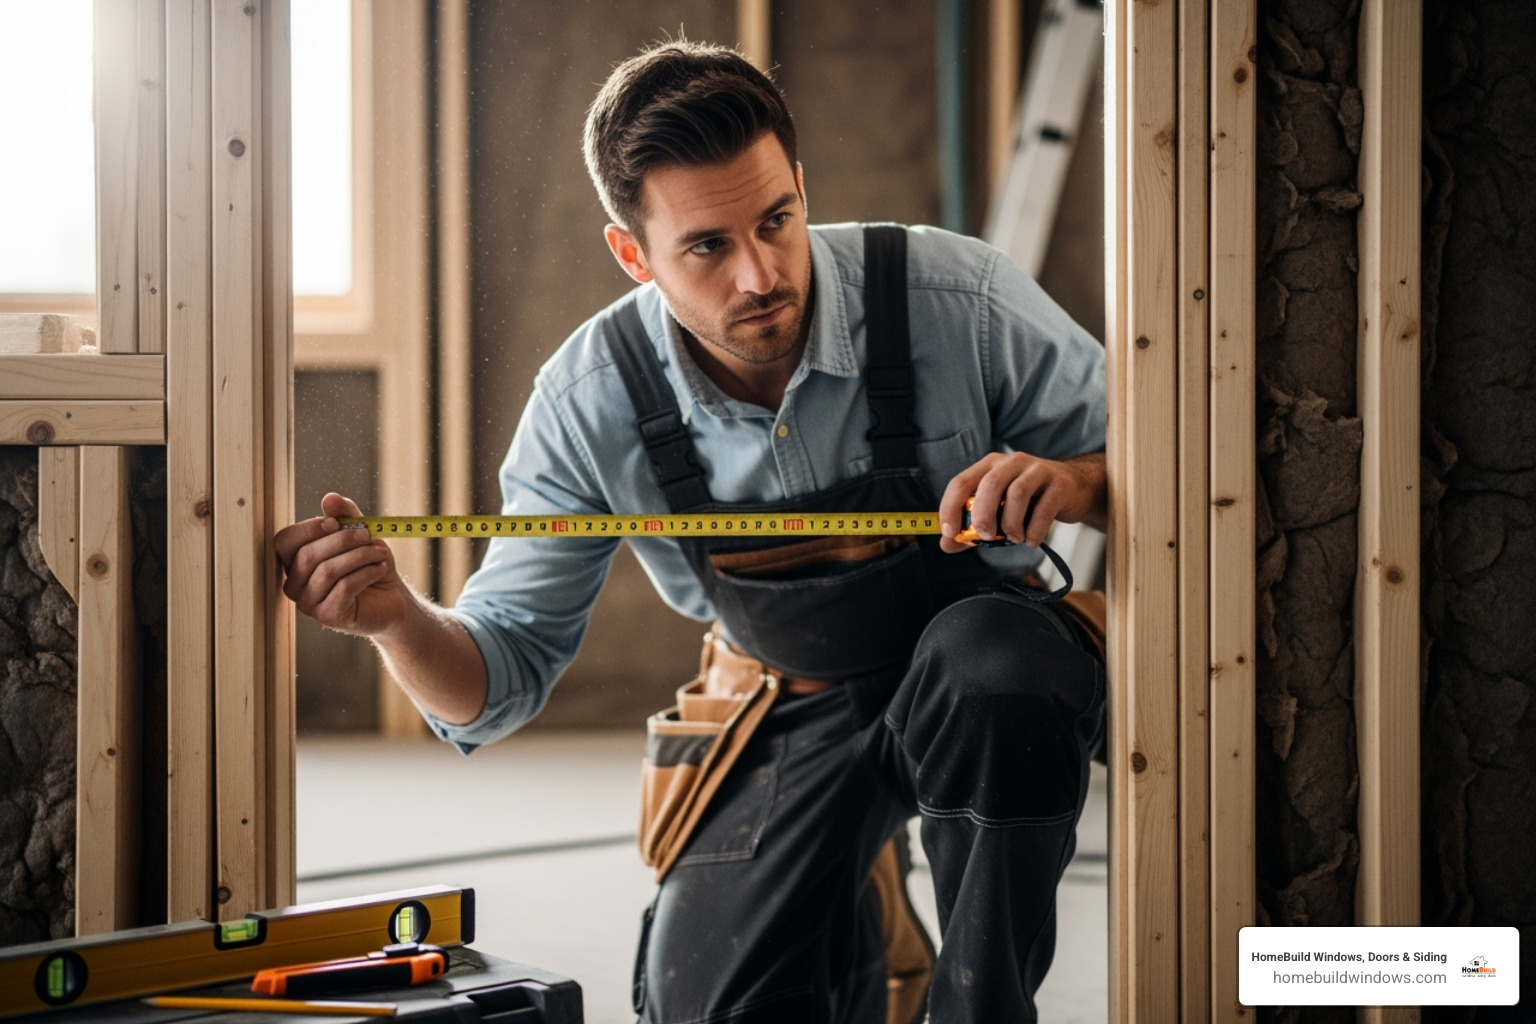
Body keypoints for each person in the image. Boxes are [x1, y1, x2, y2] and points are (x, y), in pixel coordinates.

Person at [276, 40, 1106, 1024]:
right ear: (634, 254)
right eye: (708, 246)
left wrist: (1074, 478)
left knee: (997, 665)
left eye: (777, 220)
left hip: (978, 674)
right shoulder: (591, 400)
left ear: (799, 186)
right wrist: (392, 619)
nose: (762, 272)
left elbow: (1170, 480)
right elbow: (492, 685)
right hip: (782, 698)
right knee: (706, 1002)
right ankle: (860, 904)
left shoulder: (956, 298)